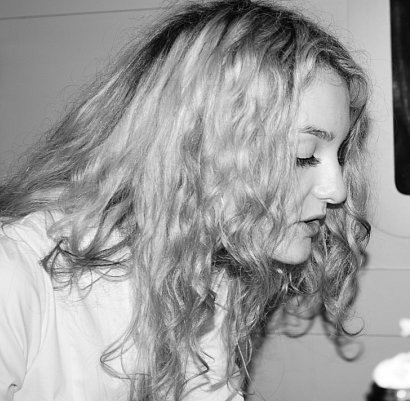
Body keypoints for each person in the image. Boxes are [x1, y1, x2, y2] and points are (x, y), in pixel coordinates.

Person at [0, 0, 371, 400]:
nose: (337, 190)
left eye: (339, 155)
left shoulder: (210, 276)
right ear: (197, 146)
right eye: (304, 154)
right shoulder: (16, 272)